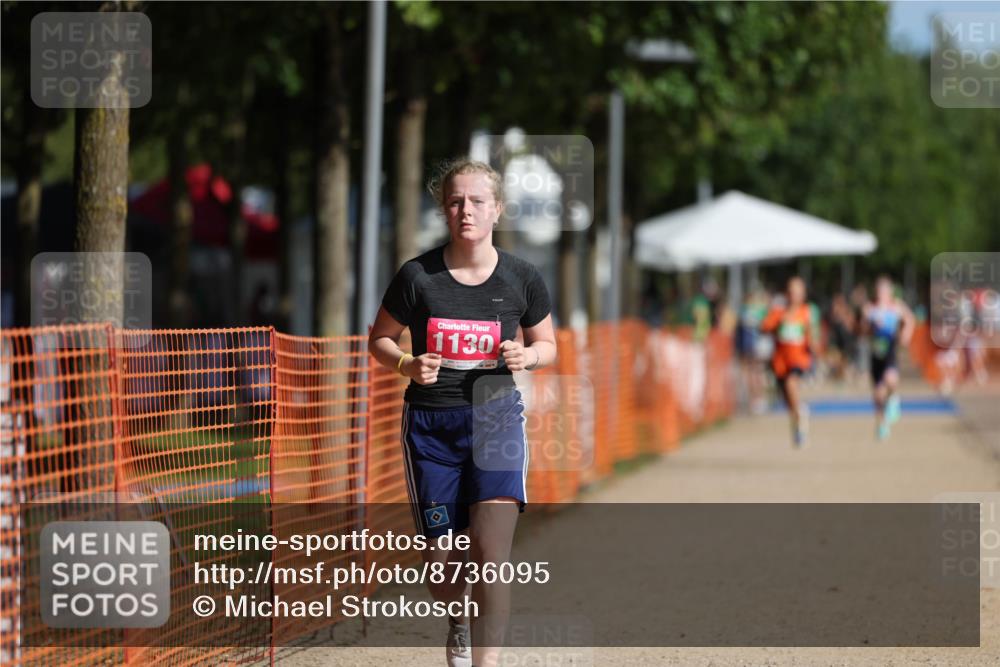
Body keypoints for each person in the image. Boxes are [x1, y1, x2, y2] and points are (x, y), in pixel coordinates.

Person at [368, 158, 556, 667]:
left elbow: (548, 345)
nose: (465, 210)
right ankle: (457, 618)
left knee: (491, 559)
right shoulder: (418, 276)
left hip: (495, 422)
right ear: (443, 209)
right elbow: (379, 339)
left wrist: (528, 356)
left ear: (497, 209)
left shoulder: (523, 277)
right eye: (455, 201)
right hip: (431, 428)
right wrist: (407, 362)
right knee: (441, 568)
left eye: (476, 201)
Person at [760, 276, 815, 447]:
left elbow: (813, 337)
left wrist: (812, 344)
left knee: (792, 385)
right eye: (791, 292)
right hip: (780, 362)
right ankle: (798, 420)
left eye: (798, 292)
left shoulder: (807, 312)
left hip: (799, 360)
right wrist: (777, 323)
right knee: (788, 400)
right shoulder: (779, 312)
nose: (794, 296)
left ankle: (799, 414)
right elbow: (764, 327)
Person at [860, 276, 915, 441]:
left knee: (891, 380)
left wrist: (906, 334)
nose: (881, 294)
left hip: (890, 350)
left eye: (884, 290)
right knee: (878, 394)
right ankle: (881, 423)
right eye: (878, 290)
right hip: (876, 353)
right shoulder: (869, 308)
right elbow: (862, 329)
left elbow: (910, 319)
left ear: (890, 291)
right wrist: (870, 324)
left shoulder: (896, 306)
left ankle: (893, 398)